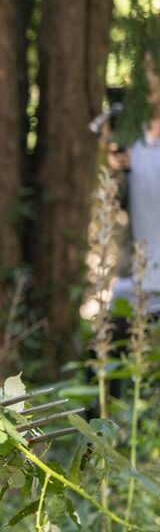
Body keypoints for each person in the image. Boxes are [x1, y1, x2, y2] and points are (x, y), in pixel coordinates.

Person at [108, 54, 160, 328]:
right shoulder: (132, 135)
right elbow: (119, 201)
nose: (149, 80)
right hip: (133, 277)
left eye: (155, 71)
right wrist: (118, 170)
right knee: (109, 358)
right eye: (147, 70)